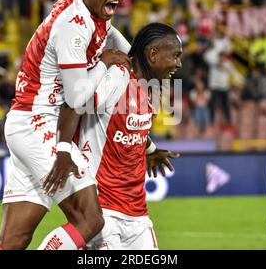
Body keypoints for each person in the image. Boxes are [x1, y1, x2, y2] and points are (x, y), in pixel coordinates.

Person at [0, 0, 132, 250]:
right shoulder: (72, 25)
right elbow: (77, 97)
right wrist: (106, 64)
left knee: (14, 238)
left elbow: (111, 35)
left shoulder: (88, 9)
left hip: (28, 123)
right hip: (39, 122)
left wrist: (134, 59)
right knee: (90, 220)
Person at [40, 23, 182, 250]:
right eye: (175, 55)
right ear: (153, 54)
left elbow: (128, 127)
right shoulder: (118, 76)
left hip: (137, 215)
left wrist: (150, 149)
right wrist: (64, 149)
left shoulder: (152, 90)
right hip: (103, 209)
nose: (179, 64)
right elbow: (75, 103)